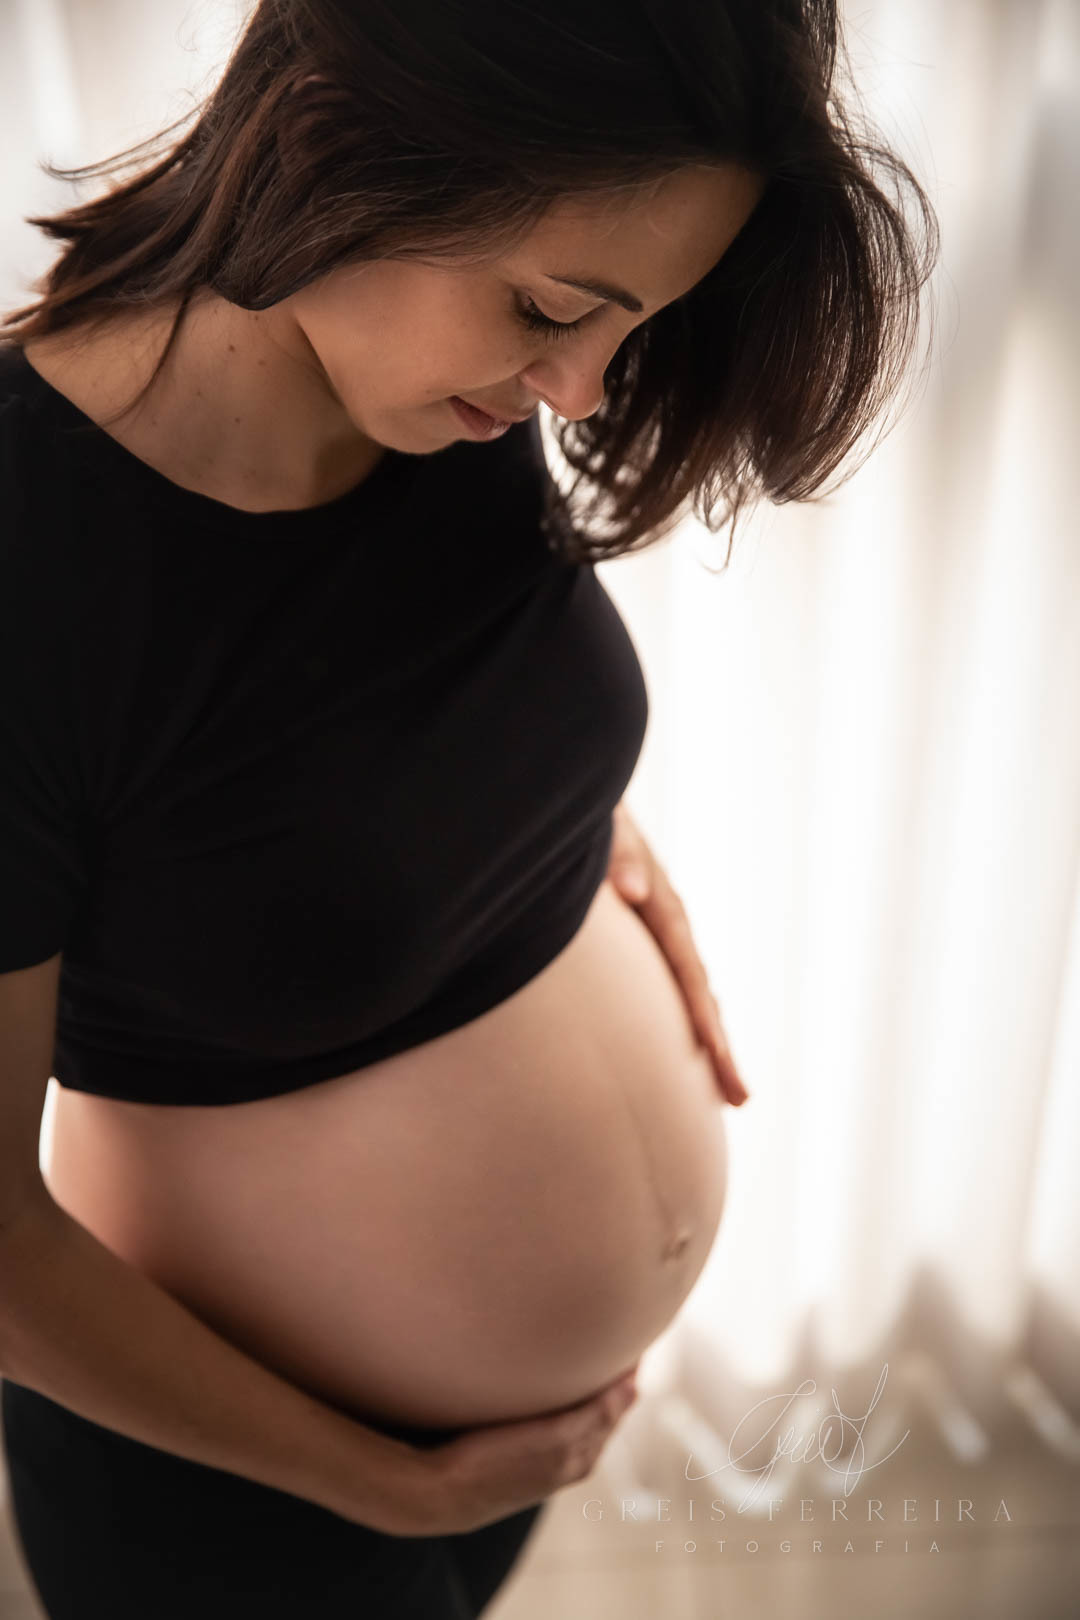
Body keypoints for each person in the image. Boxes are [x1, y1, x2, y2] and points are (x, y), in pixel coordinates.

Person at [0, 2, 938, 1616]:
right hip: (238, 1497)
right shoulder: (28, 565)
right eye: (553, 309)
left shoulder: (430, 395)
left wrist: (569, 841)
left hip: (484, 1447)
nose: (580, 391)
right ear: (337, 146)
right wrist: (382, 1484)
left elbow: (354, 733)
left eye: (626, 329)